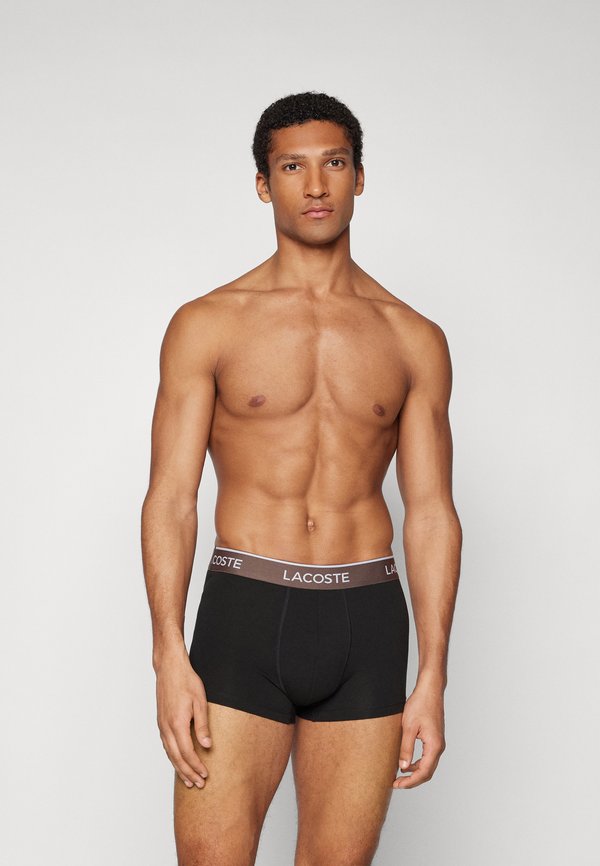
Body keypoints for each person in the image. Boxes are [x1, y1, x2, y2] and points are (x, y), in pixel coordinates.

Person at [141, 90, 462, 866]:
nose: (316, 186)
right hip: (244, 616)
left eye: (334, 163)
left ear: (359, 177)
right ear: (264, 184)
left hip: (366, 622)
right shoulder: (208, 323)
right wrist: (168, 656)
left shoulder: (414, 338)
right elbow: (172, 499)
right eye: (292, 167)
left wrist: (432, 676)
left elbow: (430, 512)